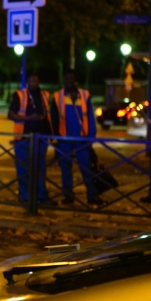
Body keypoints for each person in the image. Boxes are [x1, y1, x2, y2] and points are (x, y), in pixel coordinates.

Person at [51, 70, 105, 206]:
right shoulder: (58, 96)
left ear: (76, 81)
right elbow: (54, 118)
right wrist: (55, 139)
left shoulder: (85, 95)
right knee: (65, 169)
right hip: (64, 139)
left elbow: (90, 118)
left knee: (86, 168)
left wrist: (91, 138)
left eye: (71, 78)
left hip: (82, 139)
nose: (69, 80)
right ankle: (68, 196)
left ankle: (92, 196)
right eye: (66, 78)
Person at [7, 73, 56, 204]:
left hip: (41, 137)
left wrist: (50, 134)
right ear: (27, 81)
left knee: (40, 169)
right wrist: (29, 118)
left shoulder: (45, 95)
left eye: (36, 80)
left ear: (39, 82)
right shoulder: (20, 95)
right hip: (23, 137)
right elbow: (10, 115)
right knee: (23, 168)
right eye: (31, 80)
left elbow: (49, 115)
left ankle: (41, 196)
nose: (33, 82)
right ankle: (25, 197)